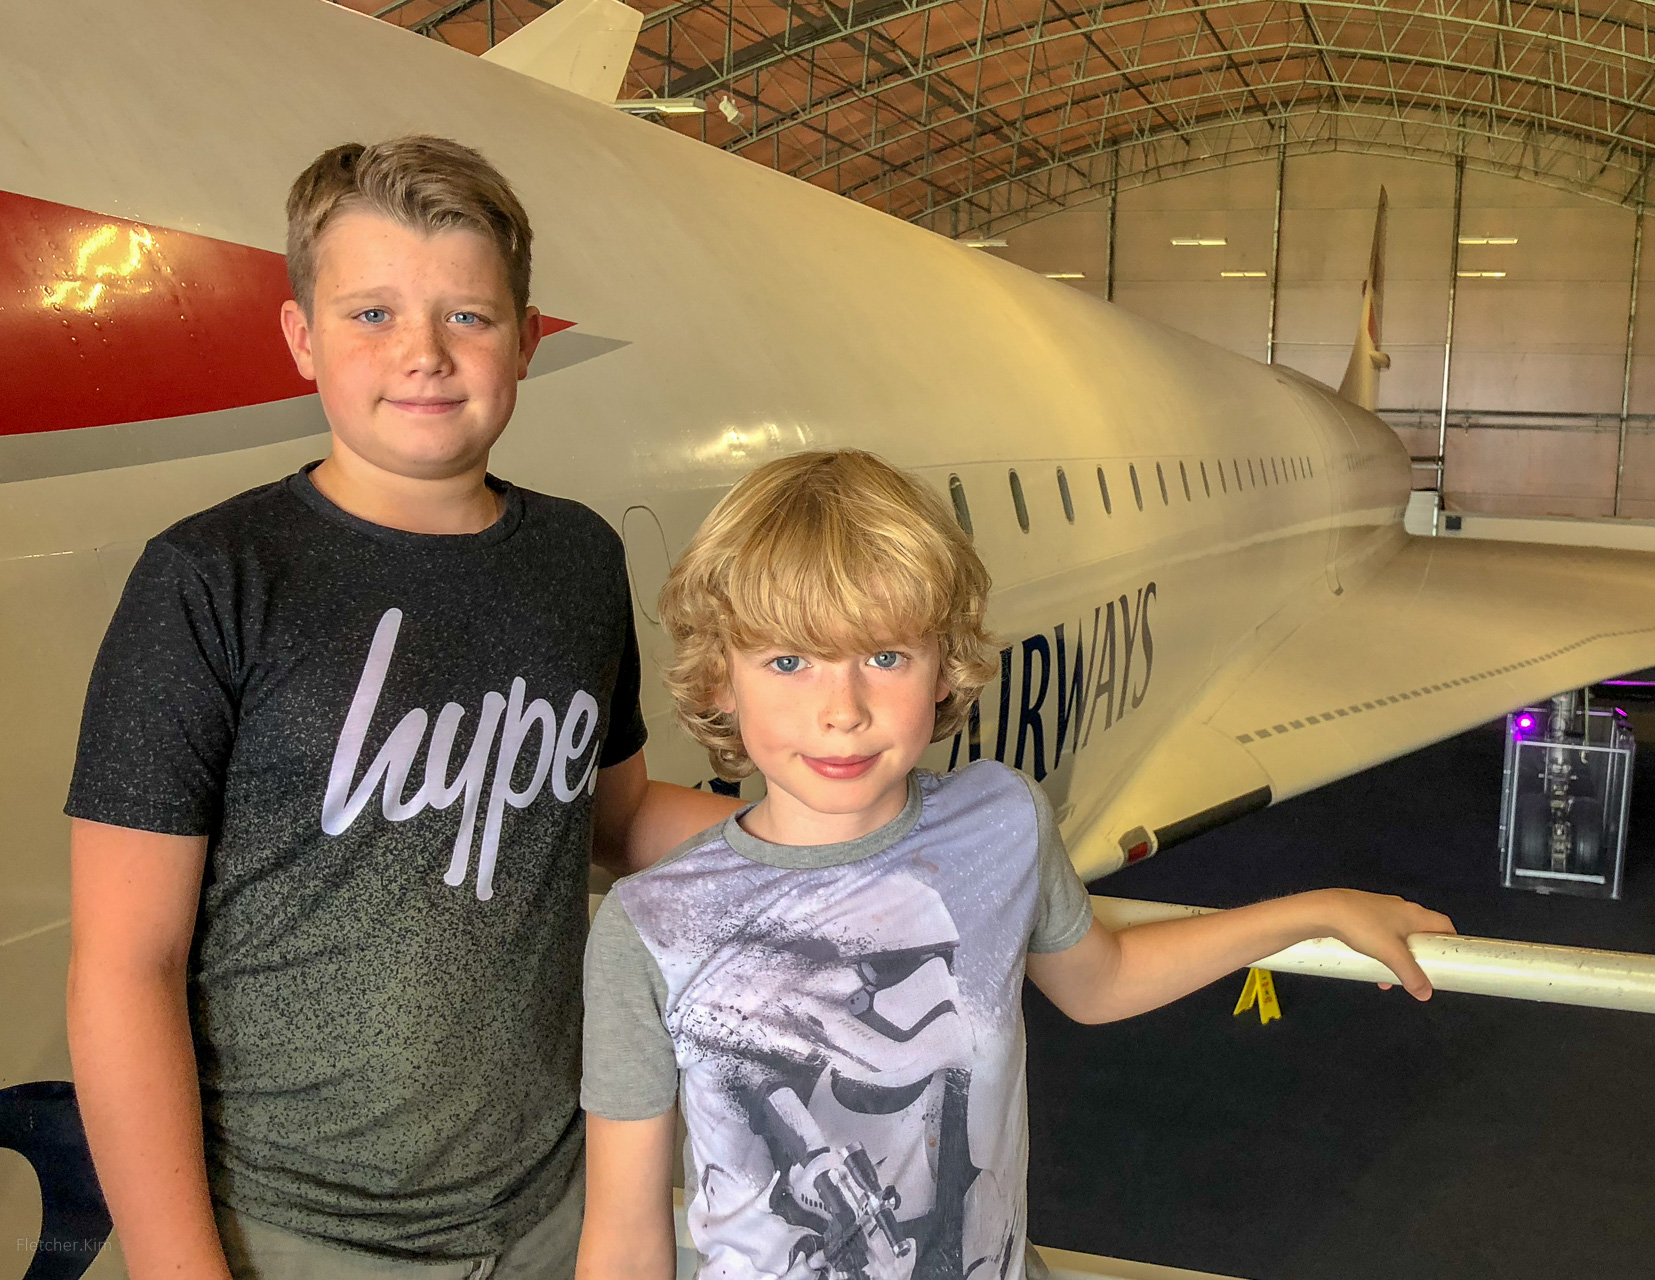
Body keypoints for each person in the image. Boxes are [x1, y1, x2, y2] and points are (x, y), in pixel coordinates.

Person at [64, 136, 739, 1280]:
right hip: (285, 1234)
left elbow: (610, 818)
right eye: (371, 313)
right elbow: (128, 961)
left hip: (548, 1214)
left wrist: (842, 836)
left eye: (467, 316)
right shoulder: (211, 579)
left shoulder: (575, 558)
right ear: (301, 338)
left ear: (526, 341)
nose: (423, 353)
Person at [575, 451, 1455, 1280]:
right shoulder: (651, 928)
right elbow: (624, 1234)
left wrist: (1314, 910)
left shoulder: (1000, 822)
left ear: (943, 668)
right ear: (720, 681)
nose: (842, 710)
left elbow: (1100, 981)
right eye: (788, 661)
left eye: (885, 656)